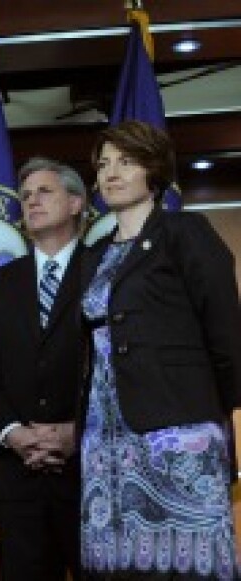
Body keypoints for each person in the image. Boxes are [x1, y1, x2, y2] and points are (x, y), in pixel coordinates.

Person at [80, 120, 241, 580]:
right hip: (103, 433)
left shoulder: (185, 231)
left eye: (125, 162)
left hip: (176, 425)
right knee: (117, 564)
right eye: (104, 164)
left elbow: (224, 325)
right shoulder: (92, 254)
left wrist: (228, 409)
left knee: (186, 564)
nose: (111, 173)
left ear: (154, 170)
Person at [0, 157, 87, 580]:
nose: (32, 201)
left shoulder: (106, 270)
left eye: (45, 192)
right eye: (26, 195)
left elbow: (119, 366)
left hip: (90, 469)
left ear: (76, 204)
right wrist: (14, 433)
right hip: (17, 475)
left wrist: (79, 431)